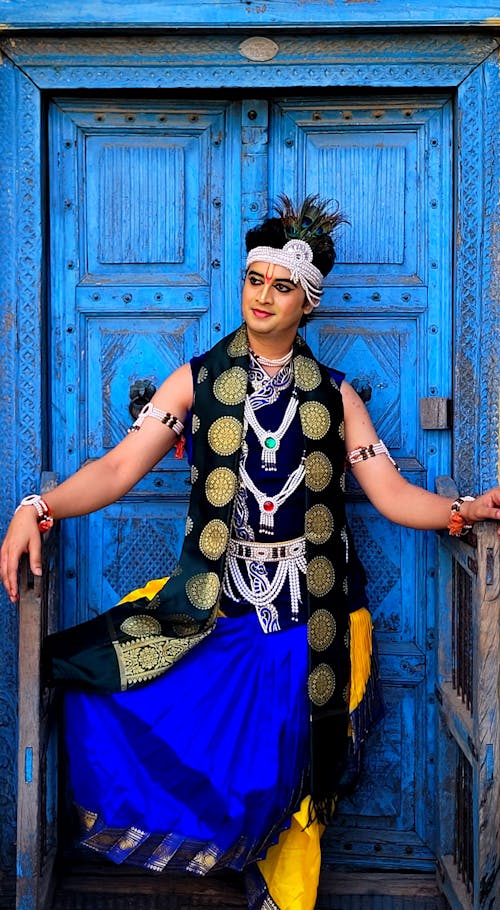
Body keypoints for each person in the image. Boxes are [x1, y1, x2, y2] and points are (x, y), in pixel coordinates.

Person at [2, 195, 500, 910]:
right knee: (105, 683)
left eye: (282, 285)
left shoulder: (335, 397)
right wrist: (36, 506)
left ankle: (279, 897)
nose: (263, 296)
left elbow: (389, 494)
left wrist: (463, 510)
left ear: (307, 302)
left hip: (313, 618)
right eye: (254, 280)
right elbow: (115, 471)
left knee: (291, 777)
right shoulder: (197, 381)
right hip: (218, 606)